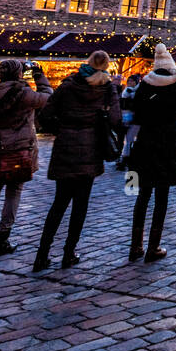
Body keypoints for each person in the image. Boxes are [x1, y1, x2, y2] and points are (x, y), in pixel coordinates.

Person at [33, 50, 120, 272]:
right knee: (80, 205)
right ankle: (68, 253)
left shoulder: (69, 84)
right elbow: (116, 119)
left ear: (88, 62)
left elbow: (44, 115)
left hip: (65, 147)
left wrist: (62, 130)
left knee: (59, 203)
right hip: (90, 148)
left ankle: (42, 255)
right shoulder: (106, 87)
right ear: (106, 65)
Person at [0, 59, 52, 259]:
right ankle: (2, 240)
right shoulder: (22, 94)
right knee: (13, 192)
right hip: (19, 148)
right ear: (18, 74)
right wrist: (39, 76)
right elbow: (49, 98)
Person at [126, 44, 176, 262]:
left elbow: (136, 113)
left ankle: (136, 246)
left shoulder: (145, 85)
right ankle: (153, 247)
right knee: (161, 197)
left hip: (144, 143)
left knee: (141, 195)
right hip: (167, 144)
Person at [115, 73, 141, 171]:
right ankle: (125, 159)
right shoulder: (125, 91)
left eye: (132, 81)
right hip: (125, 119)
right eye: (128, 81)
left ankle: (125, 160)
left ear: (136, 82)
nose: (130, 83)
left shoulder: (139, 92)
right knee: (126, 140)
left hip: (136, 120)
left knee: (129, 140)